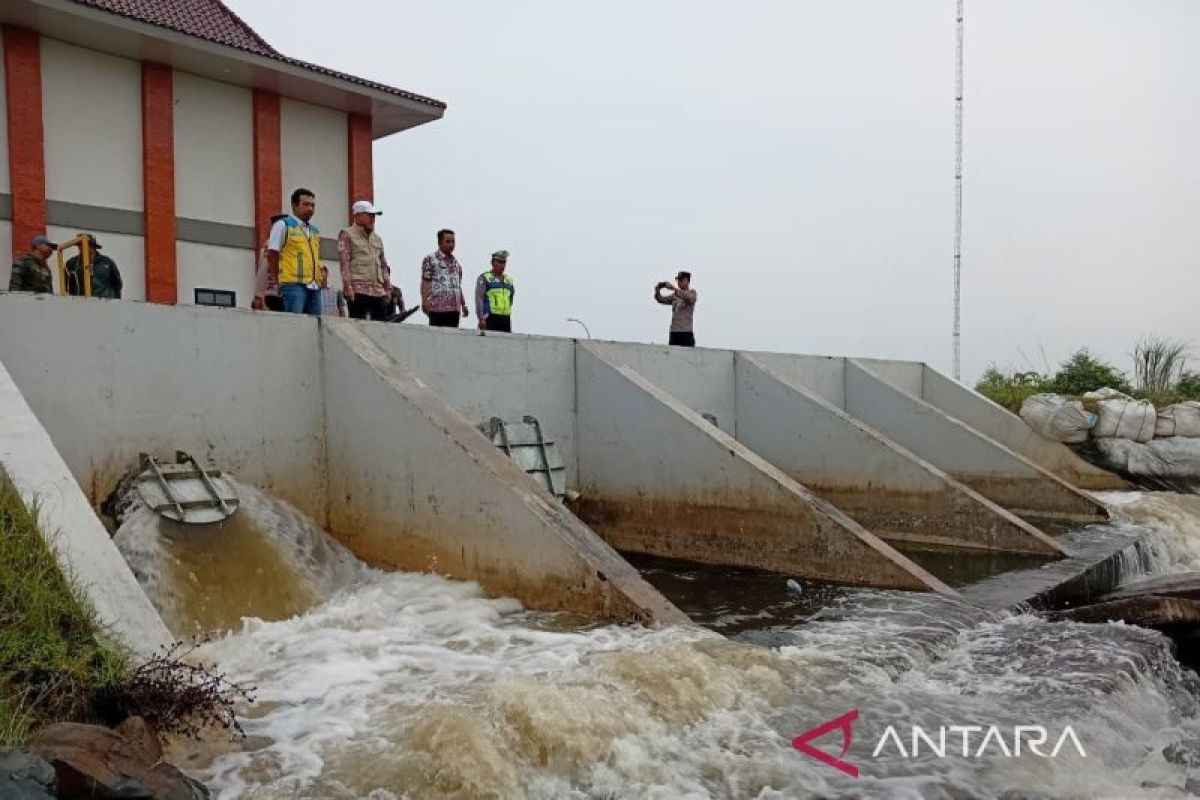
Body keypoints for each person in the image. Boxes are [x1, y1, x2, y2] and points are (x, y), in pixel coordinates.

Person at [267, 188, 323, 315]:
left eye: (313, 205)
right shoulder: (283, 225)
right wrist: (278, 280)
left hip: (314, 285)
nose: (310, 208)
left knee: (316, 327)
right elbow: (272, 254)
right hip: (293, 284)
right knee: (295, 323)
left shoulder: (314, 231)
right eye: (306, 204)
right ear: (294, 205)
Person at [338, 200, 392, 321]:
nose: (372, 219)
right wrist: (347, 287)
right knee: (359, 325)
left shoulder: (377, 238)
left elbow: (383, 265)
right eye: (369, 215)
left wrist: (387, 288)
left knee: (382, 327)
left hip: (378, 291)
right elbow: (344, 263)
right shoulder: (347, 234)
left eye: (374, 216)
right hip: (358, 290)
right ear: (357, 215)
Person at [420, 228, 468, 327]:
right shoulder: (431, 259)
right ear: (439, 242)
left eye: (453, 242)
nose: (451, 245)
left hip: (454, 309)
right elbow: (425, 281)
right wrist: (424, 301)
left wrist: (463, 304)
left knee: (452, 338)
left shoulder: (456, 263)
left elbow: (458, 286)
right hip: (437, 307)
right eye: (448, 241)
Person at [252, 214, 289, 311]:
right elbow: (263, 271)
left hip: (280, 292)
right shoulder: (271, 245)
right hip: (275, 293)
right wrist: (258, 295)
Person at [654, 270, 698, 347]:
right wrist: (657, 290)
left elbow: (689, 298)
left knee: (689, 355)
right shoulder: (675, 295)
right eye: (678, 280)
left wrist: (673, 288)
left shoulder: (692, 293)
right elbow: (661, 300)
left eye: (681, 280)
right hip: (674, 331)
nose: (679, 282)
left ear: (687, 281)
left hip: (686, 332)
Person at [475, 250, 515, 332]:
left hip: (505, 318)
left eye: (504, 262)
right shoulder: (485, 278)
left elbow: (510, 299)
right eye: (499, 262)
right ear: (492, 262)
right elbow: (479, 299)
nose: (502, 265)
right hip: (490, 317)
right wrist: (481, 318)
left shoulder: (509, 280)